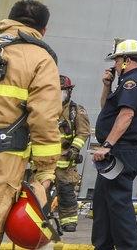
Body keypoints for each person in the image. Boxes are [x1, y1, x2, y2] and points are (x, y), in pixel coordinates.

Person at [0, 0, 60, 250]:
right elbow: (44, 118)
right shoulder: (40, 58)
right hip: (1, 158)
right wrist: (46, 170)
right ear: (43, 30)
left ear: (7, 21)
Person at [91, 39, 137, 250]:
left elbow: (126, 115)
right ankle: (103, 246)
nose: (115, 65)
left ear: (126, 60)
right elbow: (108, 110)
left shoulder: (132, 82)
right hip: (116, 150)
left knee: (118, 205)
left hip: (120, 150)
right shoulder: (123, 83)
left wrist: (107, 145)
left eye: (117, 60)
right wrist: (107, 86)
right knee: (103, 205)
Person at [57, 74, 91, 233]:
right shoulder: (43, 109)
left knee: (66, 193)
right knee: (37, 194)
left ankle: (68, 221)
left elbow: (83, 133)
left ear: (69, 92)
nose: (59, 96)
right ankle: (37, 221)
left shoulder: (76, 110)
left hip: (65, 163)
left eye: (63, 92)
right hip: (43, 161)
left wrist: (74, 149)